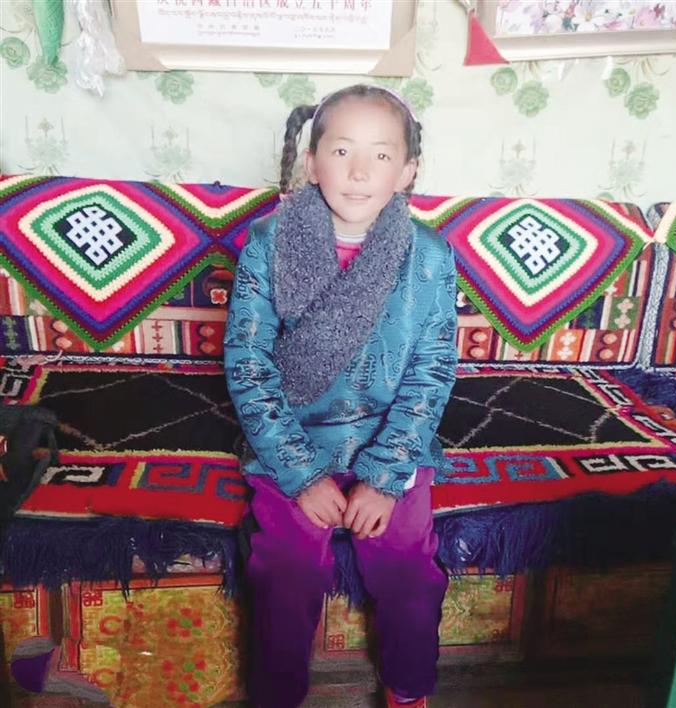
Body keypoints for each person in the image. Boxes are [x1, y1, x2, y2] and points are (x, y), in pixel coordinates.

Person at [224, 83, 458, 708]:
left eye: (381, 155)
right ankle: (277, 694)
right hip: (293, 443)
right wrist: (302, 476)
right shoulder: (269, 243)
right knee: (286, 569)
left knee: (408, 566)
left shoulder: (430, 256)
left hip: (393, 442)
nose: (359, 172)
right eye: (341, 150)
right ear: (311, 162)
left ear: (407, 171)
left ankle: (409, 688)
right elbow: (248, 363)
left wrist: (384, 478)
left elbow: (432, 369)